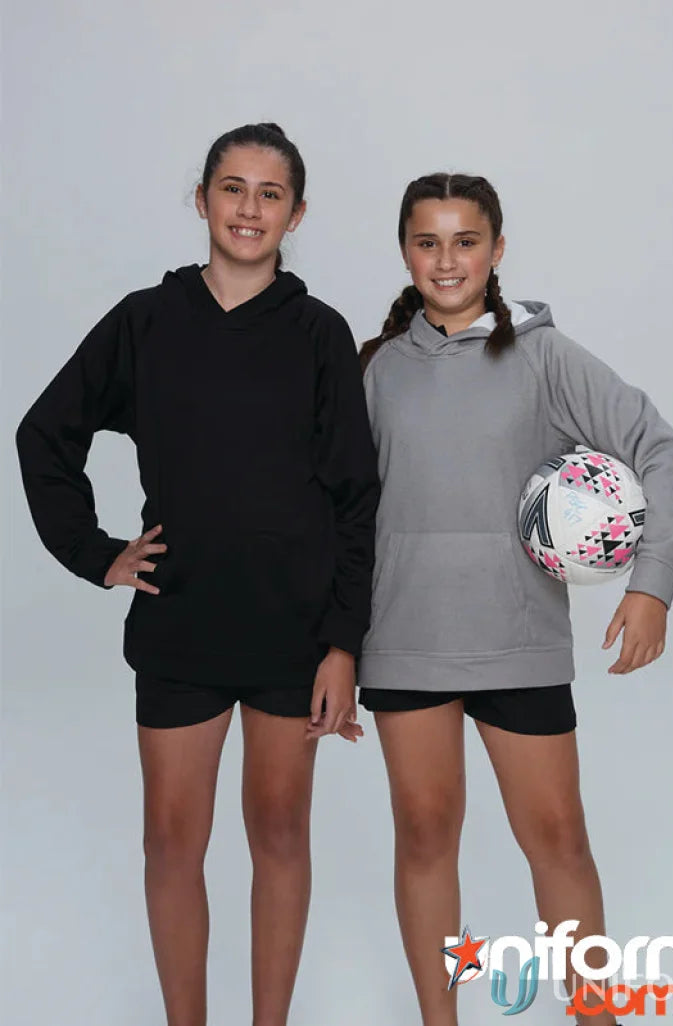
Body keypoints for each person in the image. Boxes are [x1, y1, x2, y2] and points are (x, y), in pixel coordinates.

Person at [16, 122, 380, 1026]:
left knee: (280, 833)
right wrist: (94, 551)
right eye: (232, 188)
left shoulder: (319, 334)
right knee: (172, 841)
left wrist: (343, 643)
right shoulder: (146, 320)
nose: (249, 208)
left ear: (296, 214)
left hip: (293, 634)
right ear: (202, 199)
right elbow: (44, 434)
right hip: (180, 625)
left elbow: (356, 499)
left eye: (269, 194)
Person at [357, 172, 673, 1026]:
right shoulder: (375, 370)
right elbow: (336, 514)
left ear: (497, 250)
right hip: (404, 643)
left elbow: (662, 449)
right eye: (428, 242)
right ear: (405, 252)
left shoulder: (544, 357)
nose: (447, 260)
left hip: (519, 642)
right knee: (424, 838)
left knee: (558, 840)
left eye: (466, 241)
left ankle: (595, 1016)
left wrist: (652, 585)